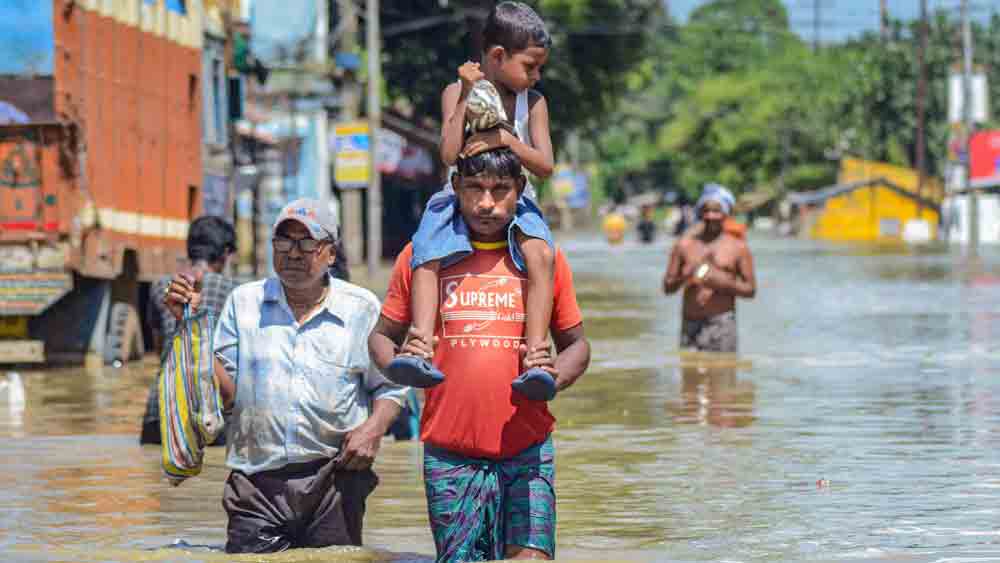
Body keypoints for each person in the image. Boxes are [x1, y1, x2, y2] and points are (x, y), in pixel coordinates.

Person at [369, 146, 591, 562]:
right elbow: (380, 337)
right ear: (455, 187)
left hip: (529, 451)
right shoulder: (421, 259)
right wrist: (401, 365)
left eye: (500, 190)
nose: (486, 203)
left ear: (520, 190)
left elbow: (577, 345)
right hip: (450, 455)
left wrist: (553, 375)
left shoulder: (542, 257)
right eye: (474, 188)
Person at [163, 199, 408, 554]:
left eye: (307, 243)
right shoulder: (243, 303)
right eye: (284, 241)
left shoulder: (362, 308)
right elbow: (226, 395)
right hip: (255, 483)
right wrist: (190, 325)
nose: (293, 253)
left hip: (334, 479)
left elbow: (391, 384)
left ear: (330, 254)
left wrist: (373, 429)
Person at [386, 1, 557, 391]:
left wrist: (507, 140)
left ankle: (535, 355)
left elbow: (545, 165)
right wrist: (465, 94)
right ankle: (419, 347)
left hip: (516, 201)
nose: (536, 75)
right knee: (425, 251)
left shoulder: (534, 103)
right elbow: (449, 154)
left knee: (541, 254)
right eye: (530, 66)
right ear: (498, 56)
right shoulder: (455, 91)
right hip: (456, 198)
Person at [140, 215, 238, 445]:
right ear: (225, 253)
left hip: (161, 408)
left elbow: (159, 348)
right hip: (213, 410)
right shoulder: (237, 293)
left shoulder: (160, 287)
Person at [662, 185, 756, 353]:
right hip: (690, 323)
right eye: (706, 211)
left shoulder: (738, 248)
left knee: (723, 375)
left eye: (716, 211)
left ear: (726, 214)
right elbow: (667, 288)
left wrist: (722, 282)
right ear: (699, 213)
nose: (711, 216)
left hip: (722, 325)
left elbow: (751, 290)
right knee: (690, 376)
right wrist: (686, 275)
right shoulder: (684, 245)